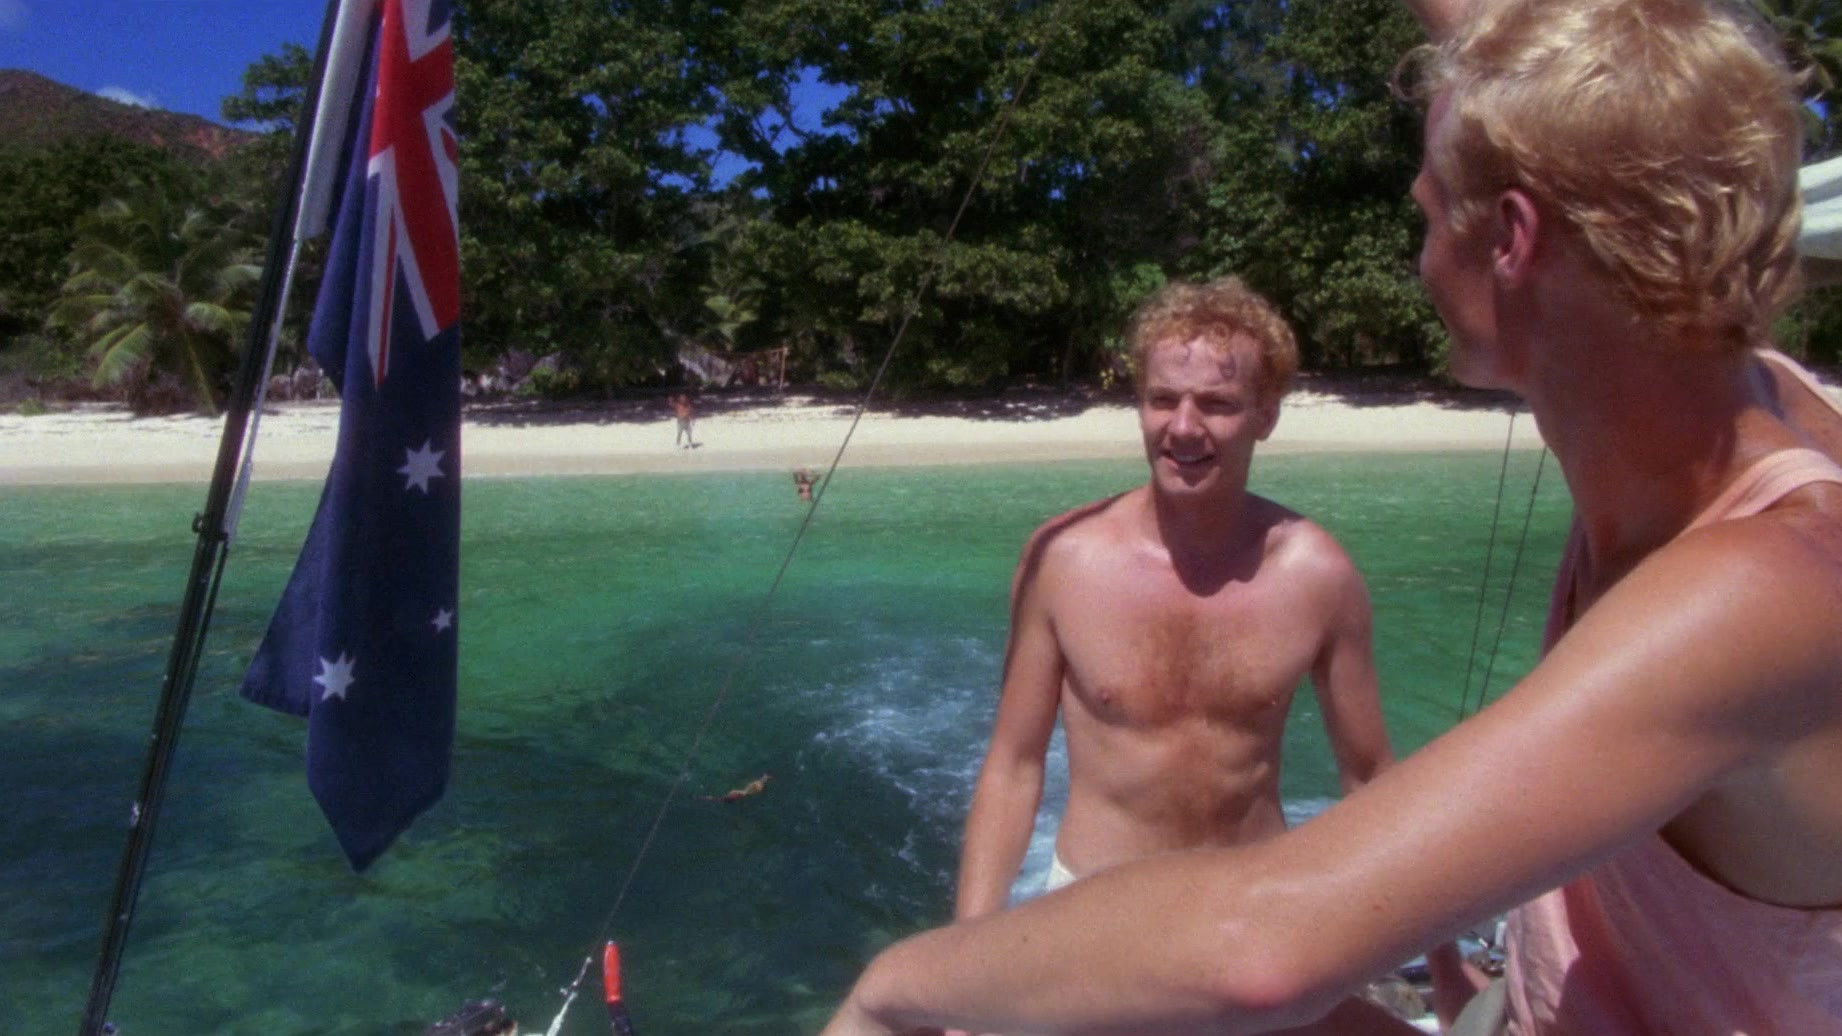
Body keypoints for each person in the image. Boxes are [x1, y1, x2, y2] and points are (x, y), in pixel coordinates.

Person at [822, 1, 1842, 1033]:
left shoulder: (1762, 590)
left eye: (1428, 214)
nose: (1419, 259)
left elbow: (1261, 950)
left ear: (1511, 239)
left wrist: (893, 985)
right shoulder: (1713, 396)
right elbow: (1600, 83)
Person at [952, 277, 1394, 929]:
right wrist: (968, 943)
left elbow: (1370, 778)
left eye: (1217, 404)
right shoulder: (1064, 562)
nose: (1184, 428)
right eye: (1163, 400)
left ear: (1266, 416)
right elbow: (1014, 767)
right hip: (1094, 910)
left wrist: (1436, 954)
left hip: (1254, 913)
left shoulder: (1317, 576)